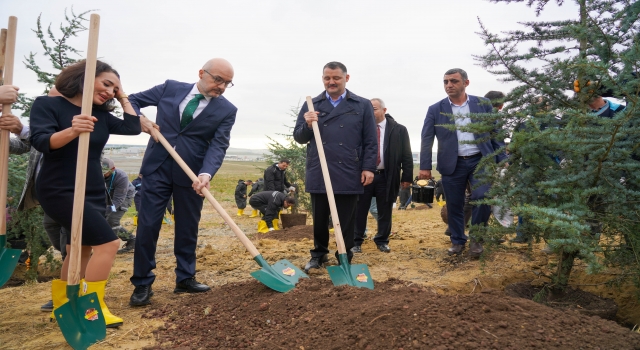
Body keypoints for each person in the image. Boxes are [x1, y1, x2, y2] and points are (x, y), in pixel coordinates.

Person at [29, 60, 142, 327]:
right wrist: (72, 129)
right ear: (84, 78)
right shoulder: (48, 105)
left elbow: (133, 127)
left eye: (115, 89)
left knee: (80, 248)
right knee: (110, 243)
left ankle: (64, 303)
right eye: (106, 84)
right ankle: (93, 309)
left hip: (91, 187)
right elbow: (42, 141)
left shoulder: (100, 114)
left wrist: (122, 94)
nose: (110, 92)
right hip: (59, 186)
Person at [128, 58, 237, 306]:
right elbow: (131, 100)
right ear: (201, 73)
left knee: (188, 227)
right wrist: (139, 119)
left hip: (191, 174)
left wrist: (206, 174)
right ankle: (142, 283)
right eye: (217, 79)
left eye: (227, 83)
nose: (221, 86)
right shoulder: (170, 88)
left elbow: (219, 145)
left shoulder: (226, 110)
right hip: (156, 168)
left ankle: (185, 278)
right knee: (147, 226)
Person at [293, 61, 377, 272]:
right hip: (320, 168)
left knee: (347, 217)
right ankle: (318, 254)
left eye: (336, 78)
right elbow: (299, 137)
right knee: (320, 217)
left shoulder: (361, 104)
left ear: (346, 78)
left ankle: (344, 255)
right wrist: (308, 124)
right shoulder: (312, 104)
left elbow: (370, 140)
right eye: (327, 78)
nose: (331, 82)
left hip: (349, 168)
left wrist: (368, 168)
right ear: (323, 79)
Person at [419, 68, 507, 258]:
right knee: (455, 204)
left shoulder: (482, 104)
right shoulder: (436, 109)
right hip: (452, 163)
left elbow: (495, 132)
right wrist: (425, 166)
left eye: (454, 81)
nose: (449, 85)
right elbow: (426, 139)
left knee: (482, 197)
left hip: (480, 160)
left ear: (466, 83)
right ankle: (458, 241)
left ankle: (477, 238)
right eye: (446, 82)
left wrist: (502, 158)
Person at [352, 98, 412, 253]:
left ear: (384, 110)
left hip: (387, 176)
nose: (371, 112)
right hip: (364, 176)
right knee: (360, 209)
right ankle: (356, 241)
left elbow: (406, 155)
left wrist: (406, 177)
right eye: (368, 109)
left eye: (374, 109)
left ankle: (382, 240)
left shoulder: (399, 130)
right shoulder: (361, 129)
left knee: (385, 209)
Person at [101, 158, 136, 253]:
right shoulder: (98, 174)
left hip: (124, 197)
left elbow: (118, 200)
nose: (103, 174)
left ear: (112, 169)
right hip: (109, 196)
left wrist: (107, 211)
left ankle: (131, 240)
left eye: (106, 172)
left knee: (112, 220)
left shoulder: (121, 177)